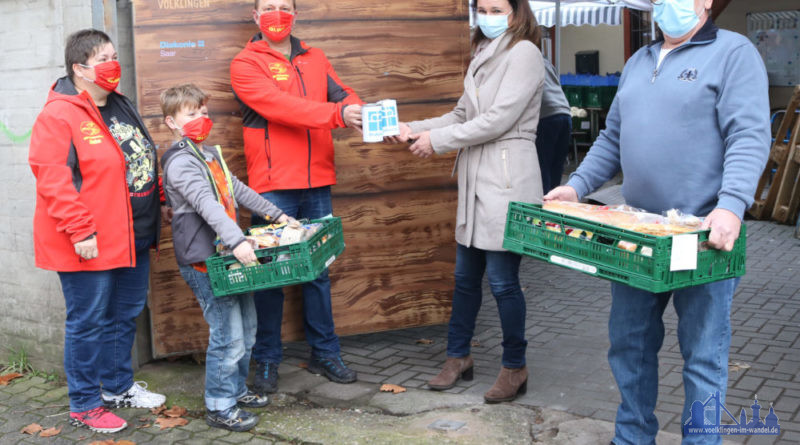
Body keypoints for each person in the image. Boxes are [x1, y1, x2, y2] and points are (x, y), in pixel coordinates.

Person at [544, 0, 770, 443]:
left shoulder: (733, 53)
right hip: (639, 233)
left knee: (703, 356)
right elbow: (612, 137)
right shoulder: (638, 60)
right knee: (629, 346)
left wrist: (732, 204)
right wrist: (576, 185)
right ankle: (631, 436)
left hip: (703, 236)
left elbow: (748, 132)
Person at [390, 0, 545, 403]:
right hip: (478, 179)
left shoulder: (524, 53)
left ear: (515, 12)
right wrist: (411, 128)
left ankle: (515, 366)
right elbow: (461, 114)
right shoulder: (482, 53)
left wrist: (436, 142)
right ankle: (458, 357)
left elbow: (498, 119)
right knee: (464, 280)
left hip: (508, 178)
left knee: (503, 283)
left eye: (497, 8)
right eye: (483, 8)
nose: (488, 15)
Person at [28, 29, 166, 434]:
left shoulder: (119, 104)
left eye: (113, 54)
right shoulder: (59, 114)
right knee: (88, 322)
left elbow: (138, 160)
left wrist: (158, 204)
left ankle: (118, 387)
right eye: (103, 57)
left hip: (132, 235)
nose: (113, 63)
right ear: (79, 68)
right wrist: (80, 232)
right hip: (88, 240)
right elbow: (53, 181)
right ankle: (85, 403)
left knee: (124, 316)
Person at [230, 0, 363, 392]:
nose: (276, 13)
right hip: (272, 187)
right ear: (255, 16)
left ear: (296, 14)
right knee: (270, 275)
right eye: (268, 7)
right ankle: (267, 359)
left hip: (317, 181)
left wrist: (358, 110)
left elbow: (344, 94)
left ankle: (325, 353)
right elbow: (280, 107)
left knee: (318, 272)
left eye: (284, 6)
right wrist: (337, 115)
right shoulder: (245, 63)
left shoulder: (315, 57)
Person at [160, 84, 292, 432]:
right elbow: (206, 204)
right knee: (227, 335)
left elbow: (238, 190)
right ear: (171, 122)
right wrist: (237, 240)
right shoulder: (181, 162)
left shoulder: (209, 155)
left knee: (246, 330)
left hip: (226, 256)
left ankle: (235, 390)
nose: (201, 119)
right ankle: (219, 406)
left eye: (203, 112)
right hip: (205, 260)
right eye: (191, 114)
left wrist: (279, 216)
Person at [535, 58, 572, 193]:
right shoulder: (545, 61)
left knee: (542, 165)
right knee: (556, 165)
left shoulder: (524, 57)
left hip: (546, 114)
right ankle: (555, 204)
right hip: (564, 111)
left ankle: (545, 204)